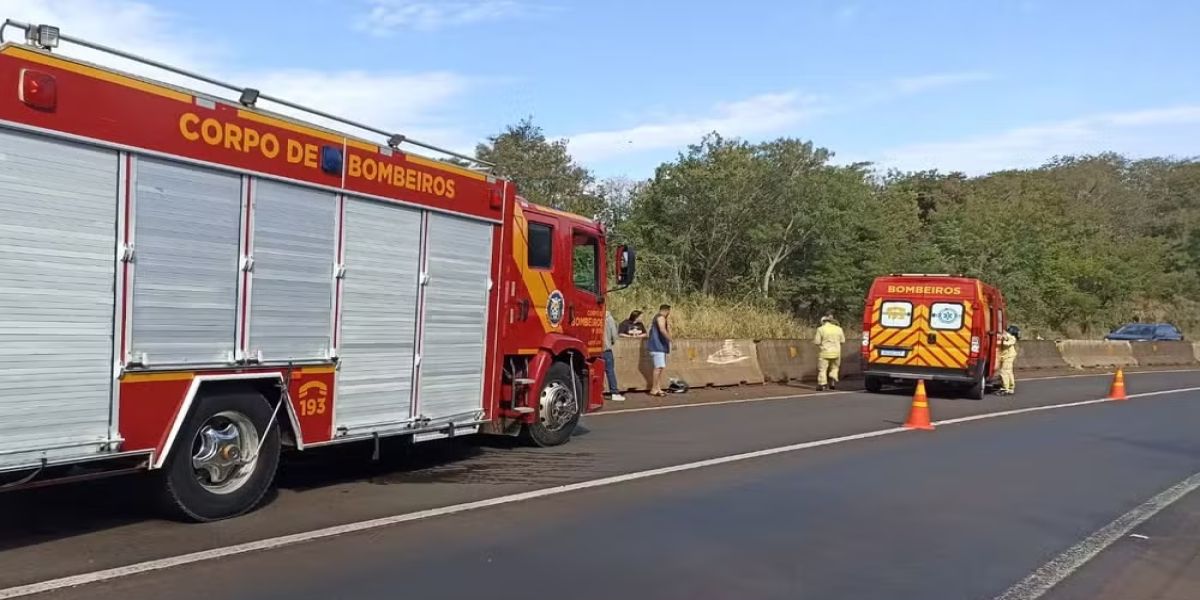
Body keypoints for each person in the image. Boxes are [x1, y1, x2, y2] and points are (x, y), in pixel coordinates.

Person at [813, 314, 845, 391]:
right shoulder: (839, 329)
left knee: (822, 369)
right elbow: (843, 341)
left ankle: (822, 384)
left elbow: (817, 342)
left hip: (824, 352)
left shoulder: (820, 329)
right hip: (836, 352)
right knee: (834, 367)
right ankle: (832, 381)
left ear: (823, 321)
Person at [646, 304, 672, 397]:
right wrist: (670, 339)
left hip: (658, 347)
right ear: (667, 310)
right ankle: (654, 389)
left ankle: (658, 388)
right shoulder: (661, 317)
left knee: (660, 367)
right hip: (658, 346)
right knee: (658, 368)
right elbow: (662, 330)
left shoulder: (656, 318)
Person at [603, 311, 625, 402]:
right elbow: (614, 335)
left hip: (592, 348)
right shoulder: (609, 318)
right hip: (606, 348)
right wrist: (610, 342)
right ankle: (614, 392)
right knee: (610, 371)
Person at [997, 325, 1019, 395]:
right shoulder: (1009, 337)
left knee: (1004, 372)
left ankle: (1005, 389)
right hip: (1006, 356)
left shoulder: (1012, 338)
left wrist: (1001, 339)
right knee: (1009, 372)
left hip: (1008, 357)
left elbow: (1007, 343)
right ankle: (1010, 388)